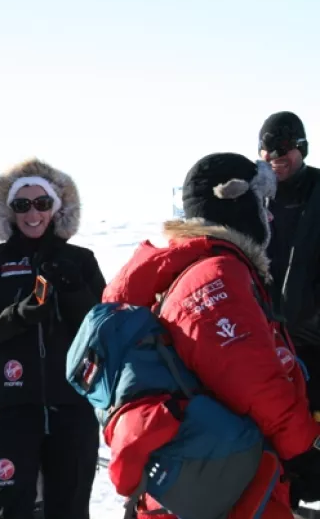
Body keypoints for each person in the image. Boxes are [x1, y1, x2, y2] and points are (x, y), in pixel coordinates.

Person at [102, 153, 320, 518]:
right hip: (231, 490)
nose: (268, 216)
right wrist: (305, 450)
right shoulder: (216, 276)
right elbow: (251, 380)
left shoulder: (194, 271)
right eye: (261, 203)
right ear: (236, 205)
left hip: (211, 483)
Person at [0, 158, 104, 519]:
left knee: (69, 509)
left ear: (57, 207)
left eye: (42, 203)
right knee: (8, 509)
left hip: (73, 408)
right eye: (22, 204)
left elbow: (102, 327)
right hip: (11, 410)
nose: (32, 213)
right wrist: (19, 314)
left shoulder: (81, 260)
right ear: (8, 210)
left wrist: (73, 291)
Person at [257, 113, 320, 413]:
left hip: (312, 343)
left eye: (285, 146)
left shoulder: (316, 192)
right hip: (264, 342)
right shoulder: (253, 201)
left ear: (302, 148)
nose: (276, 156)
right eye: (268, 149)